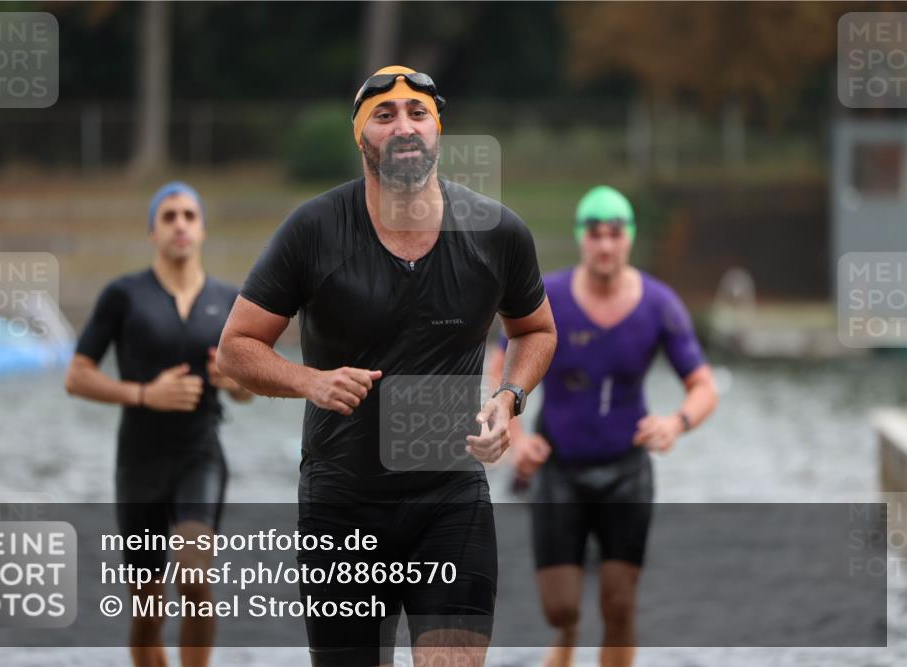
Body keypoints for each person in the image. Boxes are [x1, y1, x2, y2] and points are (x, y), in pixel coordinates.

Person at [217, 66, 557, 667]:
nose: (405, 127)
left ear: (437, 131)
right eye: (385, 115)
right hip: (342, 503)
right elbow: (237, 347)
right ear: (361, 137)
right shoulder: (314, 230)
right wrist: (310, 380)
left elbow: (535, 330)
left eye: (418, 114)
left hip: (450, 498)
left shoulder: (496, 233)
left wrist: (508, 399)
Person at [487, 185, 718, 667]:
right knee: (559, 607)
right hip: (558, 468)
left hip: (626, 471)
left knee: (619, 604)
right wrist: (519, 439)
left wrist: (677, 423)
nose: (606, 245)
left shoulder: (659, 304)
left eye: (616, 234)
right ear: (581, 239)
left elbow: (704, 387)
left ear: (629, 238)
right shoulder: (547, 296)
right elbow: (498, 366)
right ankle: (567, 637)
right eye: (595, 234)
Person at [64, 182, 252, 667]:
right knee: (147, 608)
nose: (180, 225)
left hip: (200, 456)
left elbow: (247, 390)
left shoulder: (230, 301)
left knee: (195, 573)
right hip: (140, 463)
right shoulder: (123, 296)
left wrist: (230, 380)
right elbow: (77, 376)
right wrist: (145, 394)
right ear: (153, 231)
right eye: (168, 216)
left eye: (189, 215)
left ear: (203, 228)